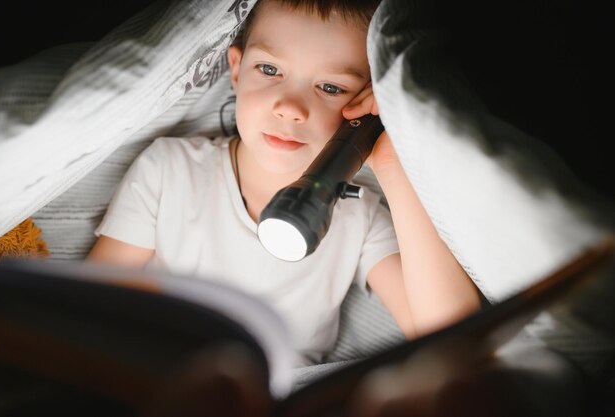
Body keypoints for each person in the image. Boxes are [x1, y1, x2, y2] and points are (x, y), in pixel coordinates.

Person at [87, 0, 481, 365]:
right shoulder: (169, 171)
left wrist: (390, 161)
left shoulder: (358, 216)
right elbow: (91, 306)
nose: (290, 108)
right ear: (237, 70)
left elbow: (450, 341)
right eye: (270, 70)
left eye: (331, 87)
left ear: (365, 110)